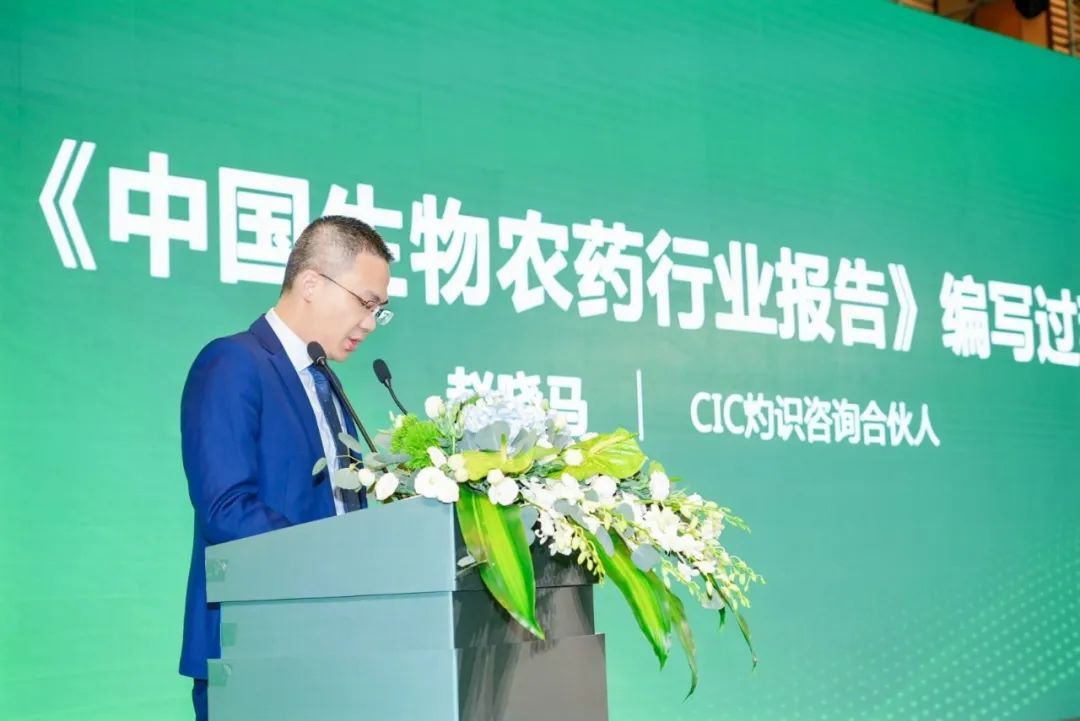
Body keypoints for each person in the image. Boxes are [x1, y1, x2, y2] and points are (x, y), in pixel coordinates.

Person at [177, 215, 393, 720]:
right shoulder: (232, 363)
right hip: (253, 647)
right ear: (312, 283)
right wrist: (331, 566)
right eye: (365, 303)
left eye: (380, 311)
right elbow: (226, 508)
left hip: (334, 646)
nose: (369, 323)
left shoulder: (326, 381)